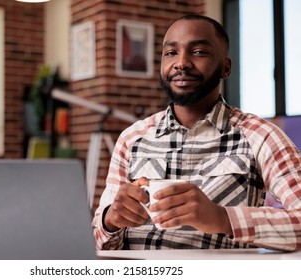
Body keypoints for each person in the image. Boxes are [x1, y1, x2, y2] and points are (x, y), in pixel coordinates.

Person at [92, 14, 301, 251]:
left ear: (226, 68)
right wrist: (110, 221)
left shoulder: (260, 136)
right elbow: (100, 243)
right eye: (171, 53)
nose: (181, 63)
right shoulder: (132, 138)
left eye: (199, 52)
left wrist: (222, 218)